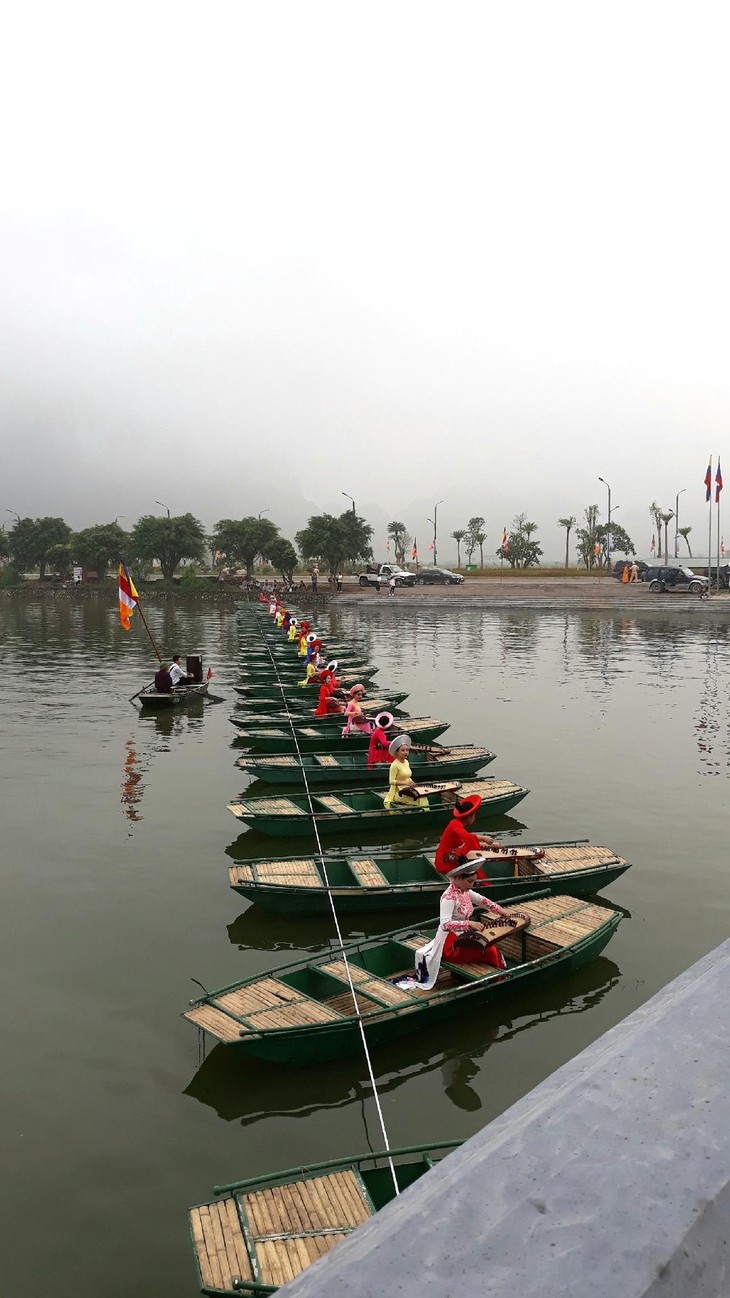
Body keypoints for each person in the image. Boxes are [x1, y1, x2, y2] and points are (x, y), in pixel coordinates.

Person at [414, 860, 521, 989]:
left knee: (489, 947)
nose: (471, 885)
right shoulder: (448, 897)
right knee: (489, 951)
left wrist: (500, 910)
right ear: (458, 878)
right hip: (450, 942)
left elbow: (482, 901)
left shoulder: (464, 891)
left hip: (463, 935)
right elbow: (445, 924)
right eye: (469, 882)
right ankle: (497, 981)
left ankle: (499, 977)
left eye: (473, 882)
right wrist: (468, 923)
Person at [434, 793, 502, 878]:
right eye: (474, 815)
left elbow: (467, 837)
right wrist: (488, 844)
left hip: (450, 857)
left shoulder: (457, 824)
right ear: (470, 817)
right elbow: (469, 838)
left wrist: (485, 840)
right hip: (445, 862)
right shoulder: (455, 824)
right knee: (476, 870)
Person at [384, 735, 428, 808]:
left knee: (423, 796)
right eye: (403, 750)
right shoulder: (394, 765)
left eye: (407, 750)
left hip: (407, 789)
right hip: (398, 792)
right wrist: (405, 783)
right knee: (421, 799)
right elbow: (391, 781)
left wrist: (412, 783)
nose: (406, 752)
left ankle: (424, 812)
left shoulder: (406, 762)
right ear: (397, 752)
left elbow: (407, 777)